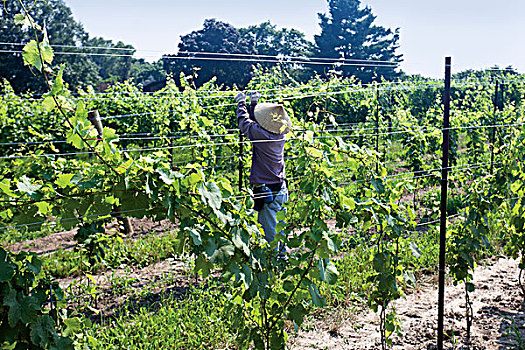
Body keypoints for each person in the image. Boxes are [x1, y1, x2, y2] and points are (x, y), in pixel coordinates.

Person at [235, 91, 292, 253]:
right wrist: (253, 103)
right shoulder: (279, 134)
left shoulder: (262, 135)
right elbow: (258, 124)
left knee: (270, 234)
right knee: (279, 229)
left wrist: (241, 104)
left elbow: (245, 125)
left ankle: (275, 265)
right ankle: (282, 257)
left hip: (267, 191)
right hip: (280, 188)